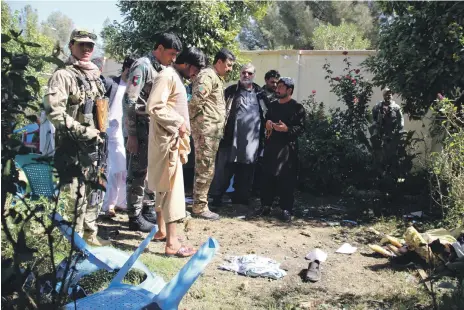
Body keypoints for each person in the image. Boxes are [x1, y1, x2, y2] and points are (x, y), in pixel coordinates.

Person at [43, 29, 110, 246]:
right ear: (71, 45)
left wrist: (100, 133)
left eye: (90, 45)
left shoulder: (94, 75)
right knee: (74, 198)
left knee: (94, 194)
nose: (87, 49)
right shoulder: (63, 75)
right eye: (82, 45)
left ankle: (90, 236)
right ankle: (73, 244)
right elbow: (54, 112)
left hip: (95, 147)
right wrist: (84, 131)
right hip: (72, 149)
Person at [147, 47, 206, 257]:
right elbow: (154, 106)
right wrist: (178, 122)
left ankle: (162, 231)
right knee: (172, 191)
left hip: (171, 141)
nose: (195, 75)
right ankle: (172, 243)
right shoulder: (167, 76)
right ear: (188, 64)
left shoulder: (175, 77)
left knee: (164, 187)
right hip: (167, 141)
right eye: (195, 70)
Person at [124, 33, 182, 232]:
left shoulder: (163, 69)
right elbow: (130, 101)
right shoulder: (143, 66)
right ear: (159, 48)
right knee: (137, 173)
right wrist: (131, 134)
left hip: (152, 129)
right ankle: (133, 216)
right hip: (139, 127)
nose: (173, 59)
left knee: (150, 172)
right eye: (171, 54)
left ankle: (147, 209)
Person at [209, 63, 268, 207]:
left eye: (249, 73)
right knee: (224, 169)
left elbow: (267, 113)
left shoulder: (260, 93)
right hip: (230, 137)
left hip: (252, 141)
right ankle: (217, 197)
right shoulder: (230, 91)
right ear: (240, 74)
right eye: (244, 73)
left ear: (254, 76)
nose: (246, 75)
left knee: (246, 170)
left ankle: (241, 198)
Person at [189, 48, 236, 221]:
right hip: (205, 131)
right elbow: (195, 101)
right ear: (219, 61)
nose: (230, 69)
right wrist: (196, 124)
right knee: (205, 169)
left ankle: (200, 203)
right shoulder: (208, 76)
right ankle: (200, 207)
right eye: (228, 65)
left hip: (211, 132)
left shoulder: (215, 77)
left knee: (207, 169)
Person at [256, 77, 306, 222]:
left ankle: (286, 209)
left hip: (288, 149)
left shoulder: (297, 108)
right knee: (267, 177)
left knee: (287, 179)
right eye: (277, 87)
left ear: (289, 90)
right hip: (271, 147)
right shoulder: (272, 106)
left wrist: (287, 129)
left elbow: (301, 128)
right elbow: (266, 120)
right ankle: (266, 205)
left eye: (281, 87)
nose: (277, 90)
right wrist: (268, 124)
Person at [101, 56, 135, 217]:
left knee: (123, 170)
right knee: (114, 169)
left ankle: (121, 202)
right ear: (124, 69)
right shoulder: (111, 84)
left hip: (127, 133)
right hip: (111, 132)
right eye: (130, 71)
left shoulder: (134, 87)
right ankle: (108, 205)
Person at [370, 87, 405, 172]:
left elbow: (401, 119)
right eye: (386, 94)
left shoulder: (396, 107)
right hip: (380, 132)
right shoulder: (378, 106)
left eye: (390, 94)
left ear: (392, 95)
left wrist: (400, 127)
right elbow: (373, 116)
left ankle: (392, 171)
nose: (388, 95)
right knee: (380, 153)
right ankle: (380, 171)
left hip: (392, 132)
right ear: (383, 96)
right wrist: (375, 123)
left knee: (392, 152)